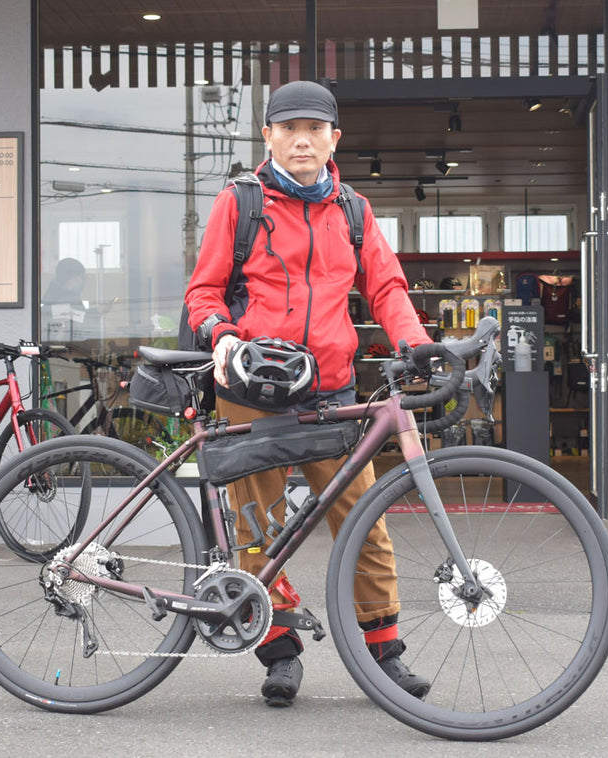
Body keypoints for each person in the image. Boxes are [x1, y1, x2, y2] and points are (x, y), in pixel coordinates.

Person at [184, 80, 434, 708]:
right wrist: (220, 336)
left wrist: (417, 343)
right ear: (266, 135)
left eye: (315, 128)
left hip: (330, 392)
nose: (302, 139)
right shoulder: (238, 203)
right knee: (255, 527)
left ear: (333, 139)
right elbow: (203, 293)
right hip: (250, 390)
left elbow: (388, 289)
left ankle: (386, 653)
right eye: (288, 127)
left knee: (364, 519)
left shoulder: (353, 209)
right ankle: (277, 648)